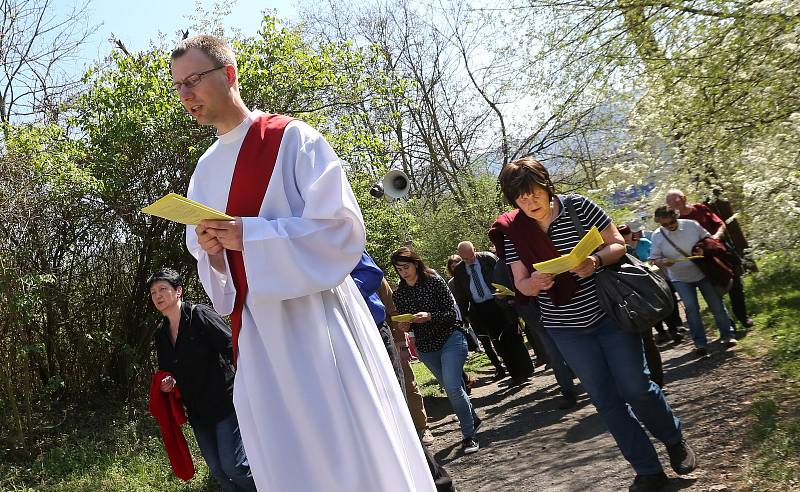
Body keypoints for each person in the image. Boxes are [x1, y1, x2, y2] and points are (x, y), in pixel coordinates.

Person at [173, 35, 434, 491]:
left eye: (193, 80)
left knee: (348, 447)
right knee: (288, 456)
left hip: (318, 319)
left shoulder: (291, 139)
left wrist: (248, 234)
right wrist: (213, 252)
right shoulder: (204, 170)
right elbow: (215, 271)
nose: (186, 95)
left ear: (229, 74)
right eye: (178, 86)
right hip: (257, 333)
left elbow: (341, 230)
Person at [489, 157, 696, 492]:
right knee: (605, 399)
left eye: (533, 193)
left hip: (610, 315)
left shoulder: (579, 208)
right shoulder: (513, 230)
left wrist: (595, 260)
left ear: (546, 185)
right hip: (565, 327)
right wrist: (534, 284)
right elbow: (520, 283)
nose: (528, 202)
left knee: (636, 387)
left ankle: (673, 438)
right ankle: (647, 470)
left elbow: (617, 244)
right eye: (520, 198)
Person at [351, 251, 456, 492]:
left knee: (393, 411)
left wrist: (328, 292)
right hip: (326, 344)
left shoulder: (328, 222)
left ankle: (438, 483)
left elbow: (371, 276)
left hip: (371, 333)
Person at [148, 269, 256, 492]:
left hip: (224, 402)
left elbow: (232, 347)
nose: (157, 296)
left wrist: (249, 386)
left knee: (234, 467)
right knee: (217, 470)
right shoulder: (161, 334)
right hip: (197, 410)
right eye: (153, 292)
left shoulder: (200, 315)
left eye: (162, 289)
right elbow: (166, 371)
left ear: (178, 291)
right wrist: (167, 382)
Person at [391, 247, 482, 455]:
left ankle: (469, 436)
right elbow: (409, 322)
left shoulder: (434, 281)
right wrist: (406, 326)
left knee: (452, 387)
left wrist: (430, 316)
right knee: (453, 387)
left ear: (415, 263)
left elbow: (452, 313)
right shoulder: (400, 294)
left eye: (406, 267)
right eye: (398, 269)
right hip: (426, 348)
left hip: (451, 338)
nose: (403, 272)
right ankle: (473, 419)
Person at [649, 206, 738, 357]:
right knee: (691, 309)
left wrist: (703, 249)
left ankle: (727, 335)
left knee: (716, 304)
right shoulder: (657, 236)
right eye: (665, 225)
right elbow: (653, 259)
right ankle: (700, 344)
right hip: (680, 278)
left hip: (703, 272)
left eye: (672, 222)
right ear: (660, 223)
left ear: (676, 216)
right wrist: (663, 261)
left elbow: (709, 239)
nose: (670, 226)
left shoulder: (691, 225)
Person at [666, 189, 754, 328]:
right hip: (700, 260)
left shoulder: (700, 209)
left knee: (735, 284)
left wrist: (716, 237)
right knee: (713, 292)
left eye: (671, 200)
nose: (669, 203)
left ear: (683, 198)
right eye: (667, 201)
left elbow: (720, 224)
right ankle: (728, 324)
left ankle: (742, 316)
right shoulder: (673, 221)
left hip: (719, 251)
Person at [450, 241, 534, 384]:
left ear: (475, 250)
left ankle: (526, 370)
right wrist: (466, 314)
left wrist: (508, 296)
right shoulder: (459, 271)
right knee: (499, 342)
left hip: (500, 303)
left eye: (471, 257)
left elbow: (505, 276)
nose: (469, 261)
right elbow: (461, 294)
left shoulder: (488, 258)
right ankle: (515, 375)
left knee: (513, 337)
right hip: (482, 309)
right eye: (465, 259)